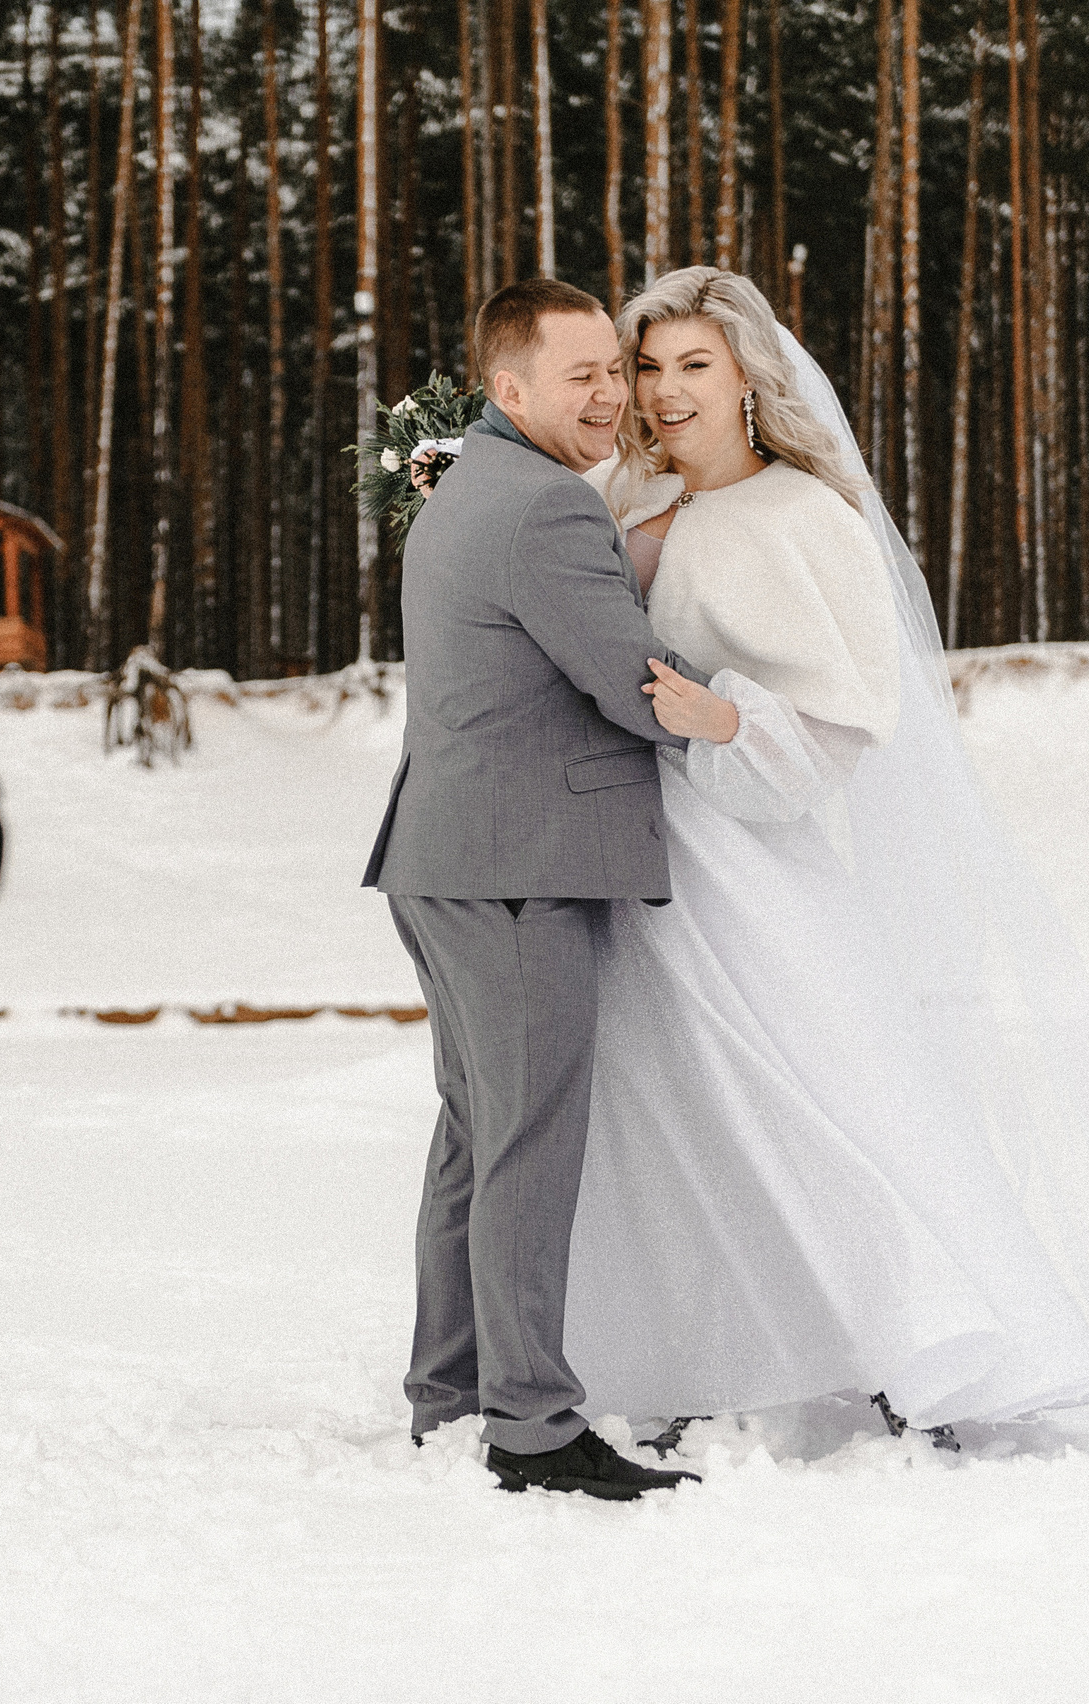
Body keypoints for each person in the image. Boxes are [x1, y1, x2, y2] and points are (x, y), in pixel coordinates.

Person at [558, 266, 1089, 1443]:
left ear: (748, 381)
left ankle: (940, 1349)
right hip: (629, 847)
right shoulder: (617, 495)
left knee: (823, 1098)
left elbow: (839, 728)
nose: (666, 394)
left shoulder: (805, 516)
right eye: (649, 368)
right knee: (665, 1104)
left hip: (748, 864)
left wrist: (725, 722)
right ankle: (691, 1357)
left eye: (694, 368)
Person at [362, 277, 734, 1500]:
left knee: (477, 1136)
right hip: (516, 867)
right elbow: (629, 679)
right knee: (527, 1142)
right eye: (582, 375)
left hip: (448, 855)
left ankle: (452, 1394)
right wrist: (747, 724)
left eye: (613, 372)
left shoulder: (471, 488)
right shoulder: (541, 509)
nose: (612, 396)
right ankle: (529, 1427)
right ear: (507, 389)